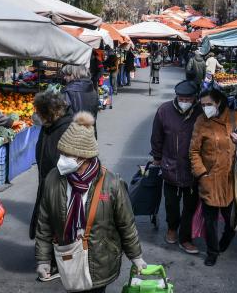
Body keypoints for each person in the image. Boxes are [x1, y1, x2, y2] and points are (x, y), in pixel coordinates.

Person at [35, 112, 147, 292]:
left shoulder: (112, 184)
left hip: (101, 262)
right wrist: (43, 259)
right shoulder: (53, 179)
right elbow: (44, 223)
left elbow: (126, 224)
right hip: (68, 258)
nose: (62, 159)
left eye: (68, 155)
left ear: (84, 157)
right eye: (62, 153)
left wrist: (136, 257)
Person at [190, 89, 237, 267]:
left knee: (233, 220)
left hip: (231, 180)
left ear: (218, 102)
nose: (205, 108)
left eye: (208, 104)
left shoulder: (235, 117)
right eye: (202, 105)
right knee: (210, 221)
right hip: (209, 179)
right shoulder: (201, 122)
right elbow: (194, 151)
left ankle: (223, 243)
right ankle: (212, 252)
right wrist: (201, 173)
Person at [150, 81, 201, 254]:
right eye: (181, 98)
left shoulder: (201, 113)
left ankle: (186, 238)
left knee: (190, 205)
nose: (184, 101)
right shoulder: (164, 111)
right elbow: (156, 136)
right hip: (170, 165)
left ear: (195, 98)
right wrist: (157, 157)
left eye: (188, 98)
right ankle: (172, 228)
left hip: (193, 169)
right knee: (171, 203)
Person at [29, 91, 74, 282]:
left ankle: (59, 264)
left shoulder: (66, 129)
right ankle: (50, 260)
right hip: (47, 183)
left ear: (50, 113)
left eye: (39, 112)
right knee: (46, 223)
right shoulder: (49, 128)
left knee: (57, 226)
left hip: (61, 188)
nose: (36, 115)